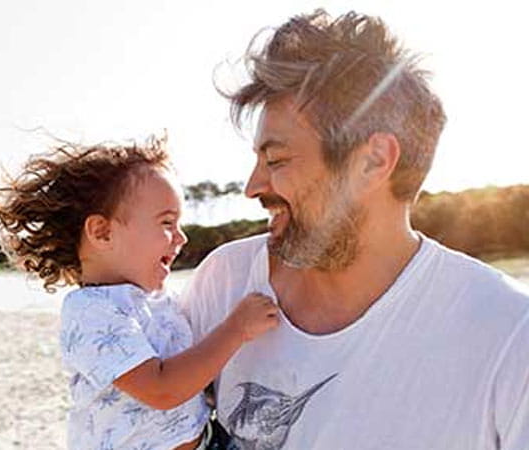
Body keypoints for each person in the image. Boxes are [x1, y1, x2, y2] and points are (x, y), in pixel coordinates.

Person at [179, 9, 529, 449]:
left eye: (277, 160)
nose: (253, 187)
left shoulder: (509, 337)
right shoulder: (223, 283)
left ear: (373, 161)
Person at [0, 136, 280, 449]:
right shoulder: (91, 311)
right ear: (102, 232)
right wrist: (236, 329)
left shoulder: (161, 301)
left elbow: (194, 373)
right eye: (167, 222)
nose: (181, 239)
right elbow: (161, 389)